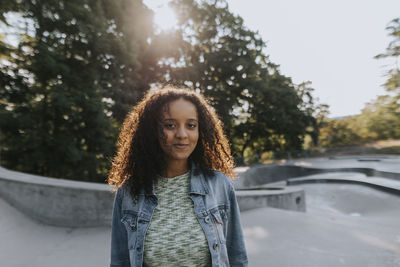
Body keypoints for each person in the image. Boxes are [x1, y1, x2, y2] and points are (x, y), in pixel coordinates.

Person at [108, 87, 248, 267]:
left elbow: (237, 259)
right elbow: (119, 263)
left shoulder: (220, 185)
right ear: (152, 130)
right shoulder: (128, 191)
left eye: (191, 125)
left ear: (200, 130)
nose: (182, 134)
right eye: (170, 125)